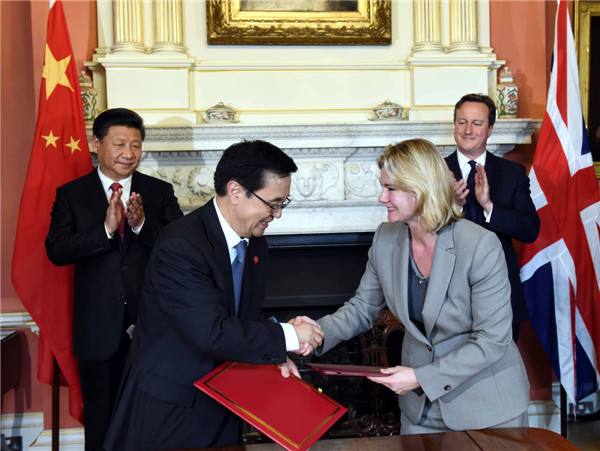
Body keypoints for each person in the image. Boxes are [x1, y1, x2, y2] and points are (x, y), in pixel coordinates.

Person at [104, 140, 324, 450]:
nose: (277, 214)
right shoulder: (181, 244)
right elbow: (212, 331)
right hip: (171, 409)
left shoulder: (255, 243)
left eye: (282, 203)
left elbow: (240, 316)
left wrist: (276, 354)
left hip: (222, 402)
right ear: (236, 191)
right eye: (272, 203)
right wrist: (287, 335)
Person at [310, 139, 530, 434]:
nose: (381, 198)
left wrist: (421, 378)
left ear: (421, 188)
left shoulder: (480, 245)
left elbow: (492, 339)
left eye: (390, 188)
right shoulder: (385, 238)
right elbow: (362, 308)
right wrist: (315, 333)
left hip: (487, 407)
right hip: (419, 410)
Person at [45, 108, 183, 450]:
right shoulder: (72, 194)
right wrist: (106, 230)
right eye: (119, 144)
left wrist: (141, 225)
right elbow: (57, 250)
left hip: (151, 326)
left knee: (151, 420)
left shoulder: (159, 192)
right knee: (101, 422)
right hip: (97, 330)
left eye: (136, 145)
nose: (129, 153)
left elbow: (181, 250)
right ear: (96, 144)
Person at [445, 93, 540, 340]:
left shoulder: (512, 173)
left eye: (477, 123)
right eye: (462, 122)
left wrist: (489, 206)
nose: (468, 130)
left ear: (490, 129)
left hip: (501, 294)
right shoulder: (434, 171)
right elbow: (416, 229)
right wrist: (451, 208)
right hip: (446, 296)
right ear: (454, 125)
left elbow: (530, 229)